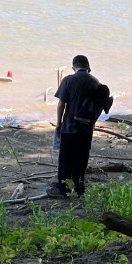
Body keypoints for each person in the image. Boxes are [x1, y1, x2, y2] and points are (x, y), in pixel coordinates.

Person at [51, 54, 103, 198]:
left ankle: (64, 188)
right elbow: (98, 105)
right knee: (81, 158)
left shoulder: (68, 80)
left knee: (66, 158)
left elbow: (62, 103)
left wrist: (59, 123)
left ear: (73, 67)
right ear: (88, 66)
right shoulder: (95, 82)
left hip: (69, 128)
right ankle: (79, 185)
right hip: (86, 129)